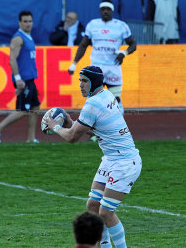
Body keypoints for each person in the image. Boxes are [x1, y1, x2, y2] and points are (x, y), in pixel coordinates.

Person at [43, 66, 142, 248]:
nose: (80, 85)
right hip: (112, 159)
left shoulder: (92, 104)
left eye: (84, 81)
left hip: (125, 162)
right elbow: (92, 128)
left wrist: (54, 126)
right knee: (92, 206)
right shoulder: (105, 95)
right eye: (80, 80)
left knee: (105, 212)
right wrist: (71, 123)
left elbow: (72, 137)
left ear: (94, 82)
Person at [68, 0, 136, 114]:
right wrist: (74, 63)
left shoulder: (121, 26)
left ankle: (118, 128)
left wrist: (124, 53)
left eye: (108, 9)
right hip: (96, 67)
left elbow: (133, 45)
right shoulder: (92, 25)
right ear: (100, 10)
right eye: (103, 9)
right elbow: (83, 45)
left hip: (113, 67)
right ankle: (94, 129)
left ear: (112, 10)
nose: (105, 11)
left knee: (116, 100)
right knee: (93, 100)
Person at [0, 11, 40, 143]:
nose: (28, 24)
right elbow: (12, 59)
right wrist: (18, 79)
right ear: (19, 23)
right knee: (23, 110)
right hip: (23, 79)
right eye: (25, 21)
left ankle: (31, 138)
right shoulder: (18, 38)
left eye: (30, 21)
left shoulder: (28, 37)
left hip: (30, 78)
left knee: (34, 109)